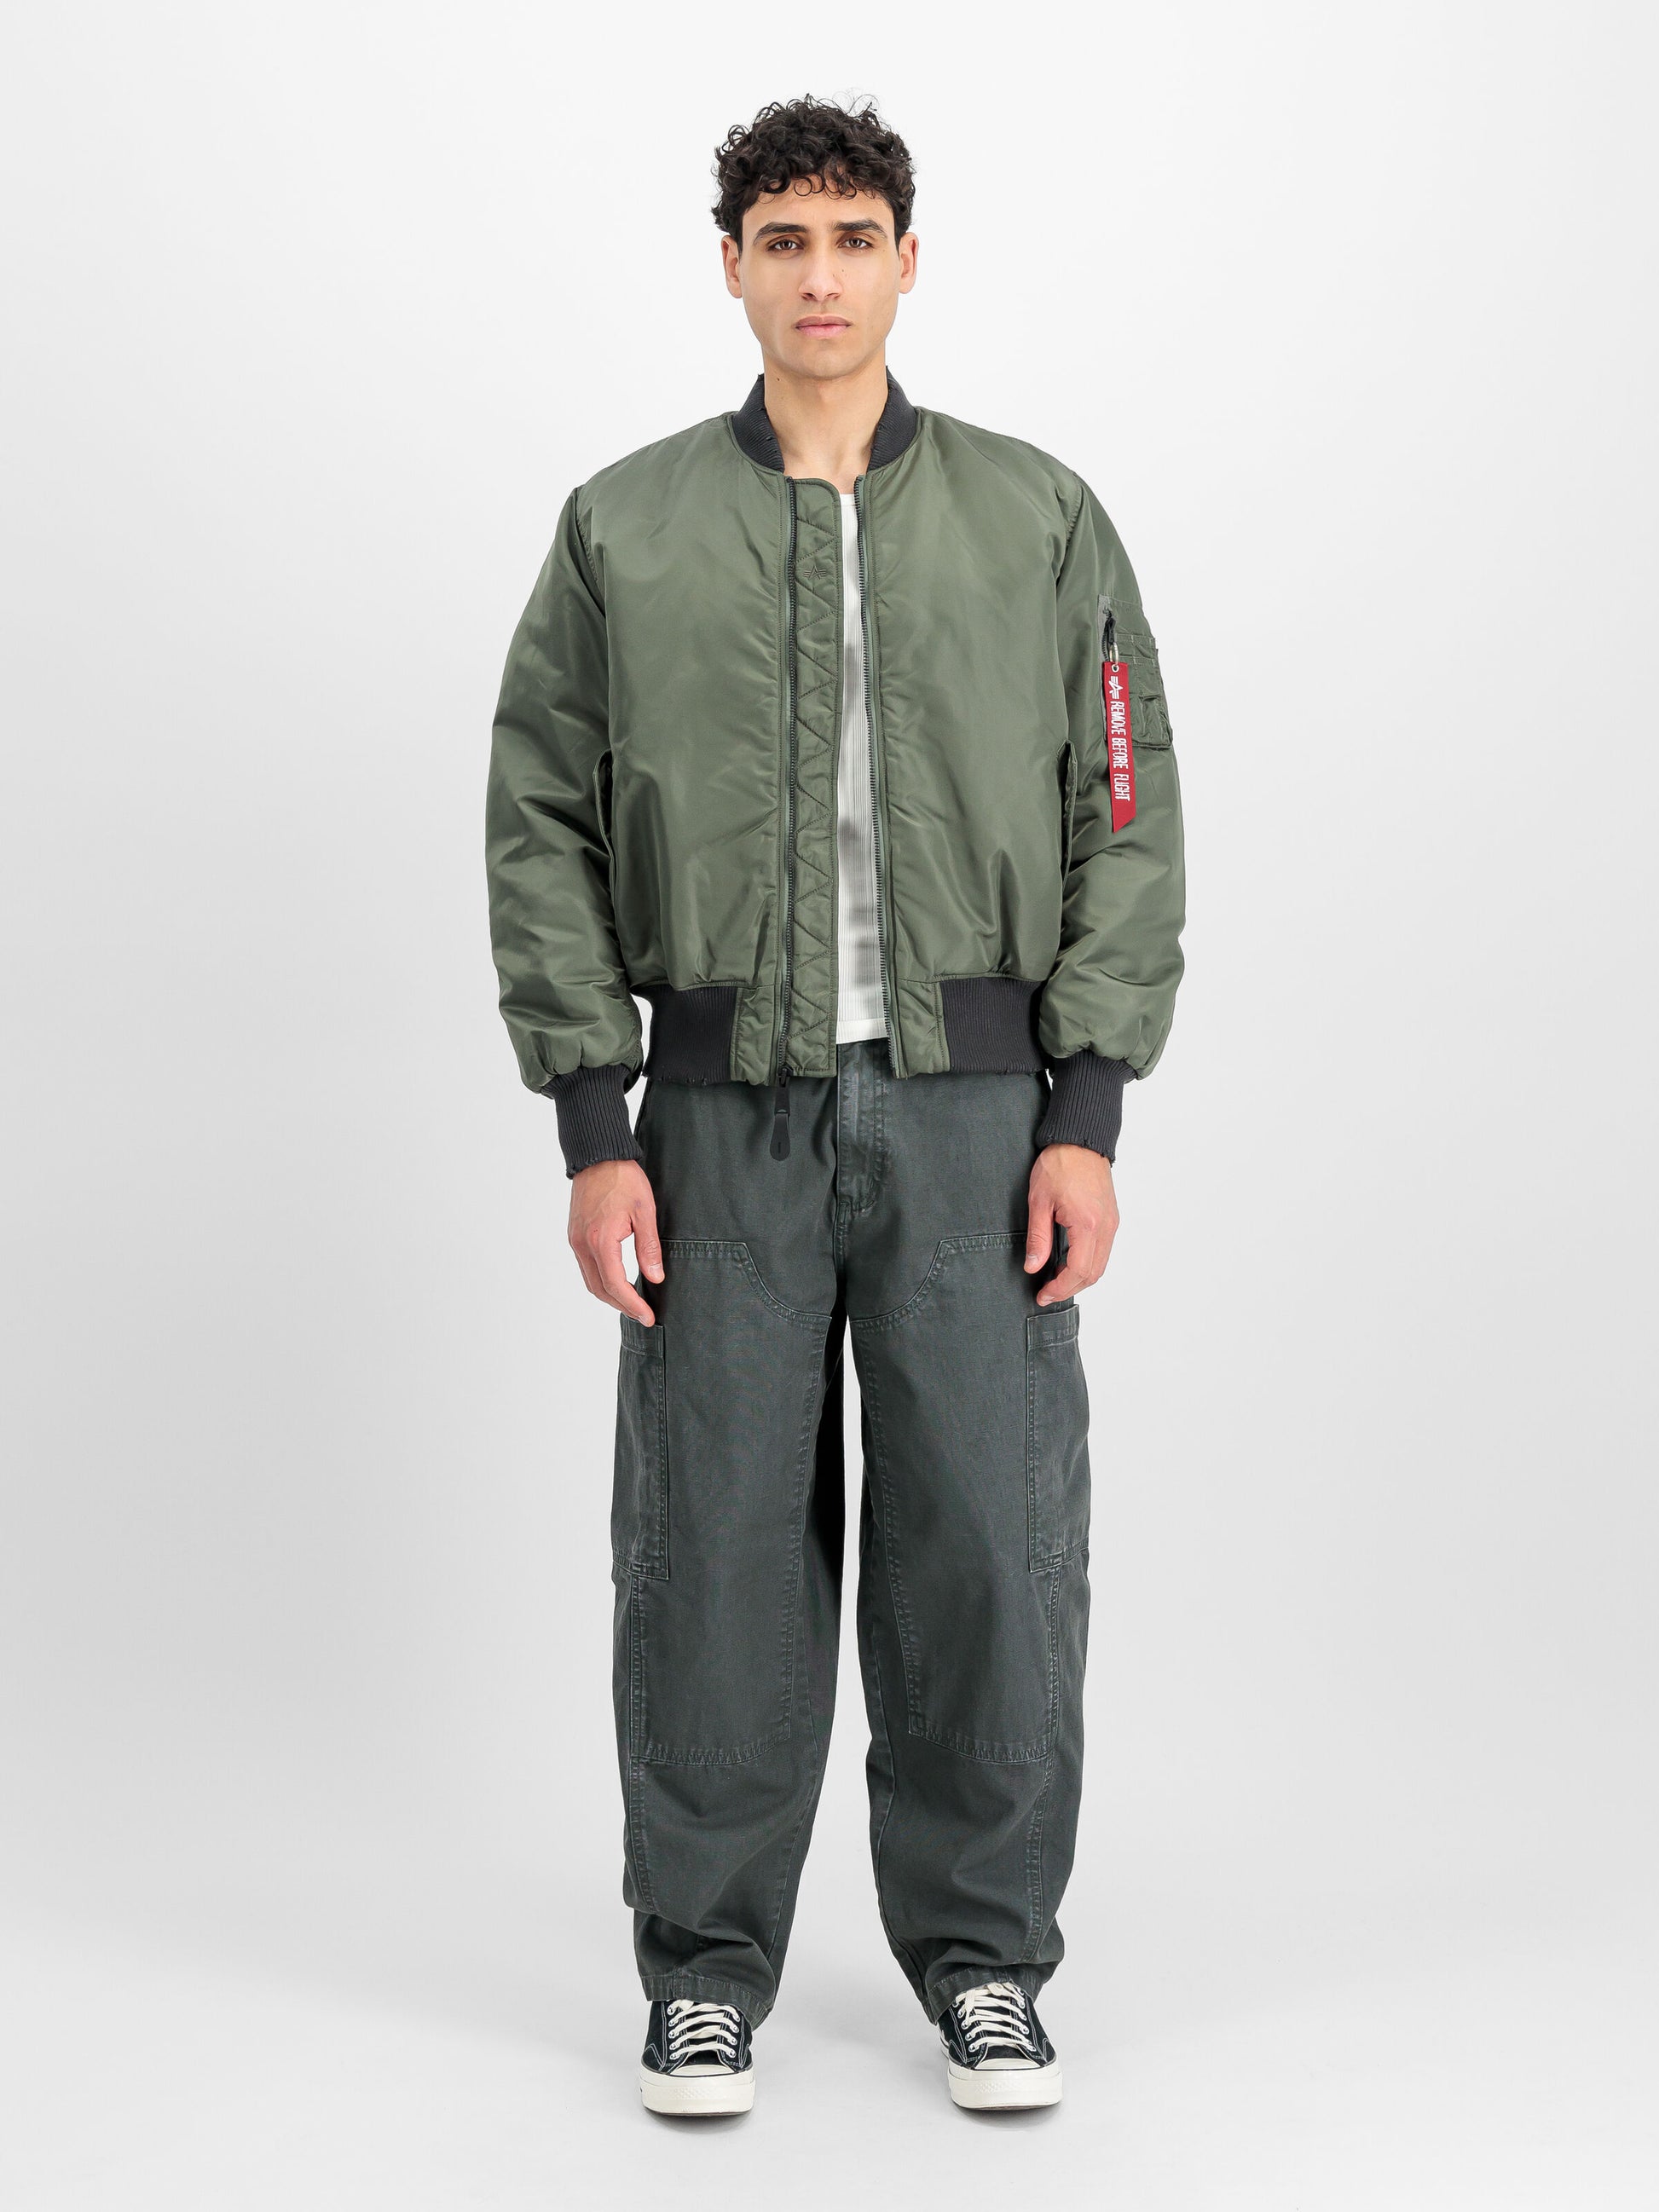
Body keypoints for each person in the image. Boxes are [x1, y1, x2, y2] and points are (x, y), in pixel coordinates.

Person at [485, 95, 1185, 2117]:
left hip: (979, 1118)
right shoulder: (623, 527)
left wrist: (1087, 1105)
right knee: (707, 1542)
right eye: (781, 238)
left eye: (852, 236)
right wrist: (594, 1120)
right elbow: (538, 819)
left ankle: (986, 1959)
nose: (818, 274)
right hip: (719, 1119)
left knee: (988, 1542)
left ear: (906, 262)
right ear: (730, 265)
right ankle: (703, 1969)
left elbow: (1123, 812)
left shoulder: (1036, 518)